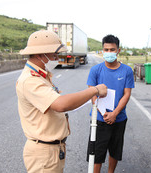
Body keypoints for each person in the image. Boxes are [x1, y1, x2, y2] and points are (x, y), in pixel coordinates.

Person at [16, 30, 107, 173]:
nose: (57, 58)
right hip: (44, 153)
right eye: (54, 55)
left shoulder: (41, 75)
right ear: (40, 54)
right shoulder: (30, 80)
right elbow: (60, 104)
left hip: (51, 150)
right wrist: (94, 90)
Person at [86, 34, 135, 173]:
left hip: (119, 119)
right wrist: (104, 114)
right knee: (97, 153)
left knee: (115, 150)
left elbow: (127, 94)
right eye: (106, 49)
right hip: (99, 119)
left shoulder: (126, 71)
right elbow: (92, 94)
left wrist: (114, 114)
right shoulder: (95, 70)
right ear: (102, 50)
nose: (109, 53)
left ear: (118, 50)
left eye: (112, 49)